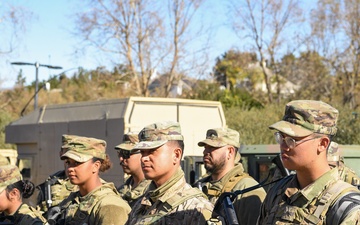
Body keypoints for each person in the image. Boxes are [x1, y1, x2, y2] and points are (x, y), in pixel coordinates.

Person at [258, 100, 360, 224]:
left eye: (292, 139)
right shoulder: (277, 193)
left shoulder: (345, 206)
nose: (284, 146)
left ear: (322, 144)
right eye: (281, 137)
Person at [126, 121, 214, 225]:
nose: (144, 158)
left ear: (176, 155)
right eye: (142, 152)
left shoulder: (197, 208)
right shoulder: (141, 205)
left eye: (152, 151)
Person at [48, 135, 131, 225]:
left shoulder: (110, 206)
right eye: (68, 162)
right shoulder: (73, 200)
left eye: (77, 162)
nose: (70, 168)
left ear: (96, 166)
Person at [193, 127, 266, 225]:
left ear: (230, 152)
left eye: (212, 147)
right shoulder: (199, 187)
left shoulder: (248, 190)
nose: (205, 152)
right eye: (205, 147)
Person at [36, 135, 78, 216]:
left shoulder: (86, 183)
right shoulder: (51, 181)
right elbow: (39, 209)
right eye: (67, 152)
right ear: (61, 154)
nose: (70, 156)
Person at [115, 131, 151, 207]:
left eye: (126, 153)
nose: (121, 158)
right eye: (120, 154)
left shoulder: (151, 190)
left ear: (142, 153)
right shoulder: (122, 190)